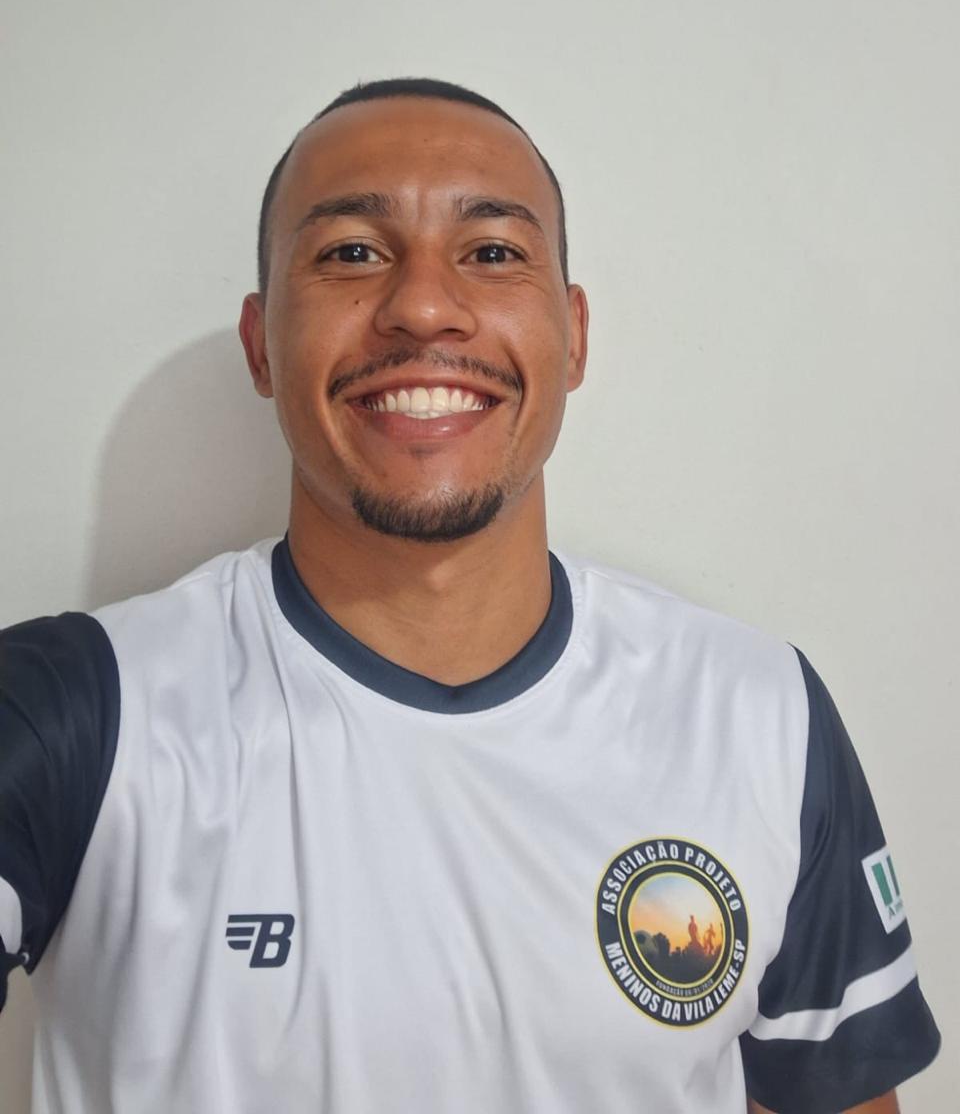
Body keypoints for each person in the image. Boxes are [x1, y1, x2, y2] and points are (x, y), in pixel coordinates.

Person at [0, 77, 940, 1113]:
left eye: (491, 252)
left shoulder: (759, 713)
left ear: (573, 336)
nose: (422, 305)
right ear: (261, 344)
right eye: (351, 252)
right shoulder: (72, 708)